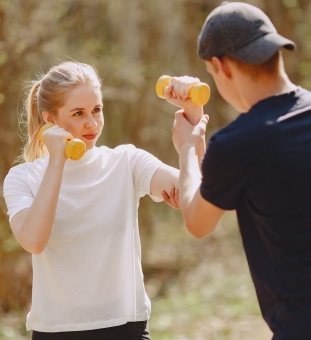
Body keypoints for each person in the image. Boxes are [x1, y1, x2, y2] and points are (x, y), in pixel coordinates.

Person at [164, 2, 311, 339]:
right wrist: (197, 122)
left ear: (222, 66)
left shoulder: (238, 144)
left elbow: (197, 220)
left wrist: (186, 148)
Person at [2, 61, 183, 339]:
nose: (92, 123)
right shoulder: (22, 178)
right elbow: (34, 240)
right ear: (51, 120)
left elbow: (192, 192)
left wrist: (192, 119)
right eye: (78, 113)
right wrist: (57, 163)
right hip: (55, 331)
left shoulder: (126, 161)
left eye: (97, 110)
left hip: (126, 327)